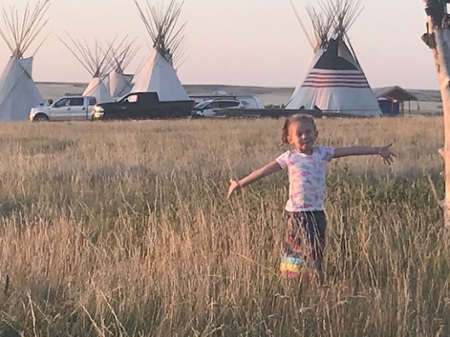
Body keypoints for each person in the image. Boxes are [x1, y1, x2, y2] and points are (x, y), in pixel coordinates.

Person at [226, 114, 396, 282]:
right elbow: (263, 171)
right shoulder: (289, 157)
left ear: (316, 134)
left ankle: (310, 280)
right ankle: (291, 280)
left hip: (317, 212)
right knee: (294, 247)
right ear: (289, 138)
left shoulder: (322, 153)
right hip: (296, 213)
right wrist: (239, 183)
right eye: (299, 134)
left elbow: (350, 150)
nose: (305, 137)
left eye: (308, 132)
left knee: (315, 248)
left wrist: (376, 150)